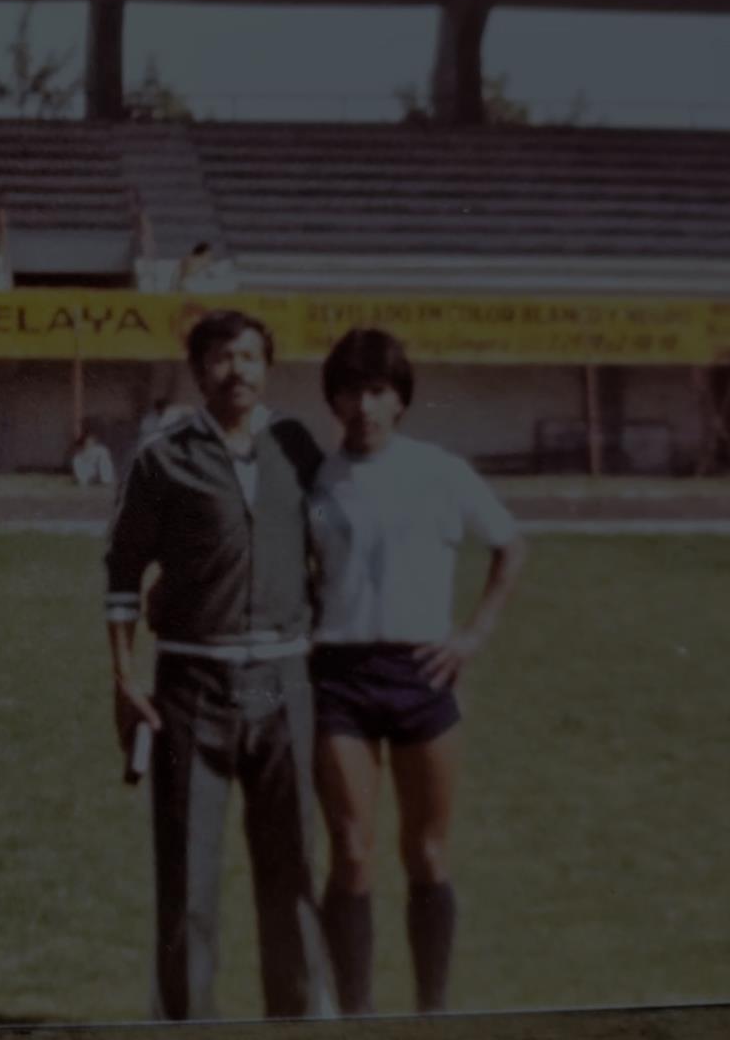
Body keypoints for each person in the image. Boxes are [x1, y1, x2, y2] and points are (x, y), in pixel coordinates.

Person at [104, 308, 332, 1020]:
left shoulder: (297, 446)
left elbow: (331, 554)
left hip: (284, 682)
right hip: (192, 684)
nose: (238, 370)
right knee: (187, 872)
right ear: (199, 371)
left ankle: (297, 1012)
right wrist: (123, 679)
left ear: (269, 367)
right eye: (223, 357)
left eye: (250, 356)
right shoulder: (162, 457)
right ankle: (184, 1018)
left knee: (293, 865)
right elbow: (122, 572)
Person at [308, 328, 526, 1015]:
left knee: (428, 853)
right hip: (339, 675)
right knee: (351, 850)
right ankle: (357, 1014)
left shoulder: (440, 470)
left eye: (378, 391)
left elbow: (510, 545)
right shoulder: (316, 480)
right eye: (350, 391)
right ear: (334, 400)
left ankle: (432, 1010)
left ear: (400, 399)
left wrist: (473, 634)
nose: (364, 406)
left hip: (422, 673)